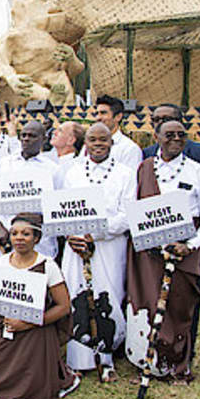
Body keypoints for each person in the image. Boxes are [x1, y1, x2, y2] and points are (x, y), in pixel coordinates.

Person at [125, 119, 200, 383]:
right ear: (156, 136)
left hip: (183, 250)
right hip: (148, 251)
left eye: (181, 134)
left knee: (179, 306)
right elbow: (131, 206)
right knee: (147, 302)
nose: (175, 139)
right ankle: (148, 362)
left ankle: (177, 364)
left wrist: (190, 245)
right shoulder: (143, 168)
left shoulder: (199, 172)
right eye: (169, 134)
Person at [0, 214, 77, 399]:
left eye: (25, 234)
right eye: (14, 234)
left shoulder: (48, 265)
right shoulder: (2, 262)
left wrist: (28, 323)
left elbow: (63, 306)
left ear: (36, 238)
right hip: (5, 325)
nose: (19, 238)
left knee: (37, 384)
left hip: (36, 327)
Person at [59, 123, 136, 383]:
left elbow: (128, 214)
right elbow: (63, 209)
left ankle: (106, 358)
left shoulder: (125, 174)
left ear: (111, 142)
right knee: (77, 295)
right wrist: (71, 236)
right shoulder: (73, 172)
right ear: (86, 143)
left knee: (108, 297)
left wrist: (97, 232)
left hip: (108, 246)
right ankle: (78, 359)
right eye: (93, 140)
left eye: (104, 139)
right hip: (76, 246)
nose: (98, 144)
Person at [0, 121, 63, 261]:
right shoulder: (6, 164)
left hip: (41, 243)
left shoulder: (52, 169)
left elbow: (58, 207)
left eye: (32, 136)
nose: (26, 139)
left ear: (44, 139)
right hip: (8, 240)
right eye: (23, 135)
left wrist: (42, 218)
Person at [92, 94, 142, 171]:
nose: (98, 118)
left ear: (118, 117)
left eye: (103, 113)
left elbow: (130, 177)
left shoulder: (129, 149)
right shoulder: (88, 146)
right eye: (97, 113)